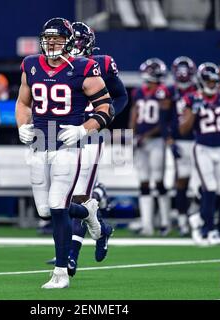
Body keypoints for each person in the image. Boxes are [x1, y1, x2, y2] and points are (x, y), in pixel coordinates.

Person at [15, 17, 114, 289]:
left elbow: (107, 108)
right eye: (47, 38)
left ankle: (61, 272)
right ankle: (89, 212)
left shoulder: (84, 67)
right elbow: (23, 102)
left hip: (68, 145)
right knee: (45, 209)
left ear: (68, 41)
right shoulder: (31, 65)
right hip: (39, 142)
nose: (51, 43)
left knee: (58, 205)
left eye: (57, 38)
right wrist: (22, 125)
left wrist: (84, 129)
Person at [57, 21, 128, 275]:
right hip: (60, 137)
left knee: (77, 196)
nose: (70, 46)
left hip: (88, 136)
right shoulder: (56, 67)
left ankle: (70, 255)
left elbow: (121, 96)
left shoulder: (103, 64)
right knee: (59, 199)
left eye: (75, 41)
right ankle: (101, 229)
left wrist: (106, 117)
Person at [179, 62, 220, 245]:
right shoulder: (191, 98)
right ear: (201, 80)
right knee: (210, 188)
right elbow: (183, 130)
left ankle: (199, 215)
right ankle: (210, 229)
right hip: (202, 148)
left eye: (214, 81)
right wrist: (194, 111)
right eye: (209, 80)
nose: (212, 84)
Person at [129, 58, 171, 236]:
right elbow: (134, 113)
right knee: (144, 182)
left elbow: (164, 121)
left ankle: (165, 222)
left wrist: (144, 135)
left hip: (156, 141)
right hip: (141, 141)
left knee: (158, 180)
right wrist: (132, 135)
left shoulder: (163, 92)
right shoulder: (139, 92)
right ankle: (147, 225)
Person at [159, 56, 197, 236]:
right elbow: (163, 119)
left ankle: (198, 219)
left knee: (199, 183)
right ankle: (182, 222)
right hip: (179, 141)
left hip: (198, 141)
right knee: (180, 181)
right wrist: (169, 140)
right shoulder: (169, 91)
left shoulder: (198, 90)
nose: (182, 76)